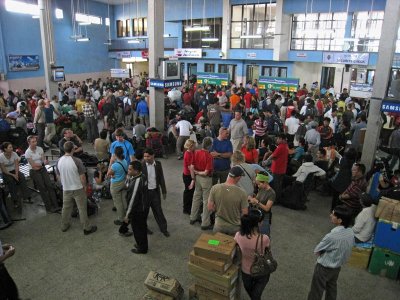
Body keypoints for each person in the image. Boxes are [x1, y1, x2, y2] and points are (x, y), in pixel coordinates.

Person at [307, 205, 354, 300]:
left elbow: (317, 250)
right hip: (336, 267)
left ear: (340, 220)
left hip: (323, 268)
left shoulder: (332, 236)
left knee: (316, 291)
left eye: (333, 214)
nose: (330, 215)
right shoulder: (351, 232)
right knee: (331, 289)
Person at [56, 141, 97, 235]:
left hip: (66, 189)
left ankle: (64, 225)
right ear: (73, 149)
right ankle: (87, 228)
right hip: (78, 188)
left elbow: (58, 176)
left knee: (66, 208)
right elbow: (82, 177)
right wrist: (85, 186)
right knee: (82, 208)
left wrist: (64, 184)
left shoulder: (59, 160)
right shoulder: (77, 161)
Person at [234, 210, 271, 300]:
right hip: (262, 270)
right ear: (258, 223)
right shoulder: (265, 238)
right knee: (256, 295)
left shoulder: (238, 235)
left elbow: (235, 245)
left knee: (251, 292)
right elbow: (268, 251)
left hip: (246, 271)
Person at [208, 166, 248, 235]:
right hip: (235, 228)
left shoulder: (215, 188)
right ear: (238, 177)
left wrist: (219, 210)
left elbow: (210, 207)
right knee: (232, 245)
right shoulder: (242, 193)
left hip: (218, 226)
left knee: (215, 244)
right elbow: (245, 213)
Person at [25, 135, 60, 213]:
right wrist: (42, 164)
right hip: (34, 171)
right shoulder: (27, 152)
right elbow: (33, 166)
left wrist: (44, 162)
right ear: (28, 143)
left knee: (49, 186)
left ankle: (56, 205)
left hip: (41, 169)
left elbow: (43, 159)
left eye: (35, 141)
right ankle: (49, 208)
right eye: (33, 142)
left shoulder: (40, 149)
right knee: (42, 188)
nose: (35, 143)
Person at [142, 148, 170, 237]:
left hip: (155, 192)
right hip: (145, 193)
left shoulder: (158, 164)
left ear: (153, 155)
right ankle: (144, 228)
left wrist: (164, 191)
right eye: (145, 156)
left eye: (148, 156)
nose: (146, 158)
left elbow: (161, 177)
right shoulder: (141, 165)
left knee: (158, 211)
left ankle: (164, 229)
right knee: (144, 212)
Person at [124, 160, 149, 254]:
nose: (128, 171)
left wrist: (127, 215)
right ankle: (141, 244)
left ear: (136, 171)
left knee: (138, 230)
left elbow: (132, 200)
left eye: (130, 169)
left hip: (138, 210)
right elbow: (127, 185)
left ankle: (142, 248)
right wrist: (128, 177)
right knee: (142, 228)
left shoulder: (136, 182)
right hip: (143, 207)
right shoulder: (142, 176)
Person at [190, 137, 214, 230]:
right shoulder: (209, 156)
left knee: (196, 198)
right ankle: (205, 223)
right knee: (206, 201)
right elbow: (206, 172)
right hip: (205, 179)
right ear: (210, 145)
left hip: (197, 179)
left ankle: (192, 217)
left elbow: (191, 167)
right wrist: (198, 173)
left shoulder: (196, 152)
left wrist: (194, 177)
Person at [0, 142, 31, 209]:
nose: (12, 148)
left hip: (14, 170)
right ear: (5, 149)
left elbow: (17, 165)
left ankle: (26, 196)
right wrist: (13, 175)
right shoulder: (1, 156)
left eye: (11, 147)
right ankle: (15, 200)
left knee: (22, 177)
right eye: (10, 147)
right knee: (11, 181)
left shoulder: (14, 154)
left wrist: (16, 174)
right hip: (6, 173)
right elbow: (3, 170)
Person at [248, 171, 275, 236]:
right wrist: (252, 199)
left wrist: (257, 202)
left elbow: (267, 208)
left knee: (264, 235)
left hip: (265, 216)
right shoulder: (261, 188)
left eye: (259, 184)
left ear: (265, 182)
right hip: (257, 214)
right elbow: (257, 199)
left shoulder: (272, 193)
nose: (258, 186)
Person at [107, 146, 129, 227]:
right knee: (123, 199)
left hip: (116, 184)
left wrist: (111, 162)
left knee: (118, 202)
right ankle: (126, 213)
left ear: (115, 154)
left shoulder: (115, 165)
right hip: (123, 182)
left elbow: (108, 174)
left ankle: (121, 219)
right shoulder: (125, 161)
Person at [269, 133, 289, 203]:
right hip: (282, 169)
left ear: (282, 139)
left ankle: (275, 200)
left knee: (275, 185)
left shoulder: (280, 147)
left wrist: (267, 160)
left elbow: (273, 156)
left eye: (278, 138)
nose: (277, 140)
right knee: (279, 185)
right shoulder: (286, 146)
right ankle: (278, 199)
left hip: (277, 169)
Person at [182, 139, 196, 215]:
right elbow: (190, 168)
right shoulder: (187, 154)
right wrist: (193, 178)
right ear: (190, 146)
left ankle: (189, 207)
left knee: (191, 191)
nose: (195, 147)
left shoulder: (192, 152)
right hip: (188, 175)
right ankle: (186, 208)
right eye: (194, 146)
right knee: (188, 191)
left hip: (190, 174)